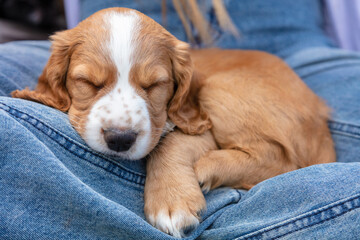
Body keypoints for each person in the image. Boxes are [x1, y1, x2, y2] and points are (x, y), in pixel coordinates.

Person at [1, 0, 359, 239]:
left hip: (289, 62)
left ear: (176, 88)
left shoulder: (187, 81)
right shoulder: (67, 51)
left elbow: (190, 118)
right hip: (94, 36)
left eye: (152, 85)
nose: (121, 123)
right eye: (90, 83)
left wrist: (175, 158)